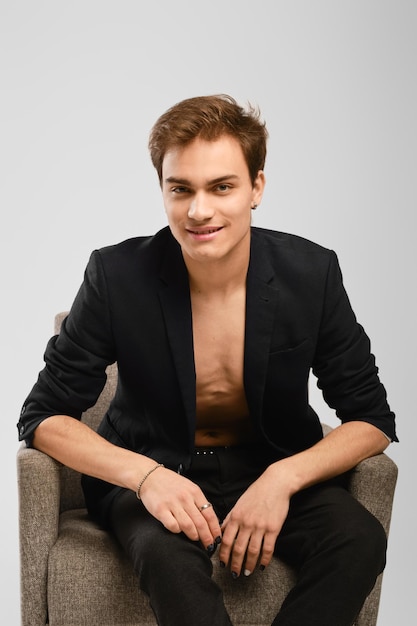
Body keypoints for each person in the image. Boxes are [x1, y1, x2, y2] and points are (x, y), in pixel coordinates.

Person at [18, 94, 398, 626]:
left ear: (256, 188)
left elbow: (371, 420)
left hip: (270, 464)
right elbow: (42, 417)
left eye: (221, 187)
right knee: (166, 558)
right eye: (181, 190)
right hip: (153, 467)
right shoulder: (116, 277)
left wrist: (282, 480)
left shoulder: (311, 275)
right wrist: (145, 476)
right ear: (163, 191)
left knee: (359, 541)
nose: (199, 210)